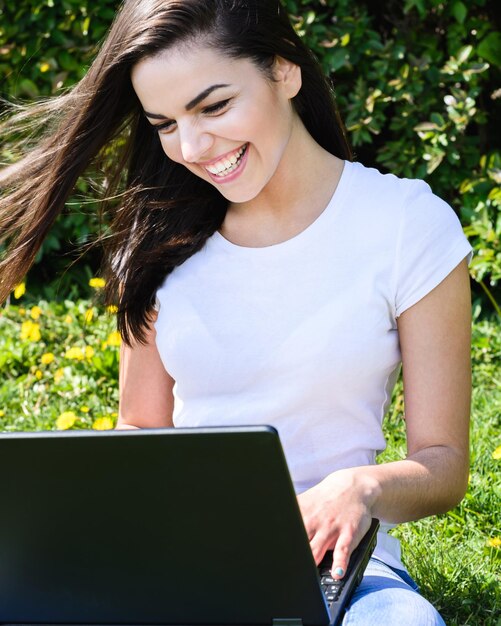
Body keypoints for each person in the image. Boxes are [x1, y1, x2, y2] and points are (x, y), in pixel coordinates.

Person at [0, 1, 472, 623]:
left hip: (344, 570)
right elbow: (141, 428)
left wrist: (361, 487)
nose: (192, 146)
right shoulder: (157, 245)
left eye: (214, 106)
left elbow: (443, 465)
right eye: (164, 123)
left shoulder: (406, 225)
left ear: (284, 72)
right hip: (182, 561)